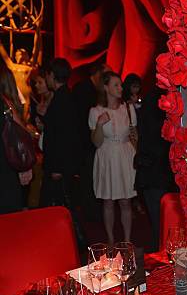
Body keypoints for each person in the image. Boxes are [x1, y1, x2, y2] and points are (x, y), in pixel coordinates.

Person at [89, 71, 137, 245]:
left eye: (120, 84)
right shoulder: (96, 111)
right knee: (108, 201)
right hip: (107, 156)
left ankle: (127, 240)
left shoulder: (128, 109)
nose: (120, 88)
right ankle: (110, 239)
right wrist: (100, 125)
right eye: (116, 85)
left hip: (125, 155)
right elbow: (96, 142)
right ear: (105, 87)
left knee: (125, 201)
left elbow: (134, 135)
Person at [135, 87, 176, 251]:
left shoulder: (154, 98)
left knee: (160, 223)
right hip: (157, 170)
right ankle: (160, 263)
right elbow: (156, 136)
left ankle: (160, 261)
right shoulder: (157, 99)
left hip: (155, 170)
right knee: (161, 223)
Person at [72, 63, 111, 220]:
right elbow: (81, 123)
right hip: (86, 145)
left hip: (92, 143)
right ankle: (91, 214)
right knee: (89, 180)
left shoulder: (94, 90)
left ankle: (94, 212)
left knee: (95, 180)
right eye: (106, 74)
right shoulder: (83, 89)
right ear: (98, 74)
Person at [39, 58, 80, 208]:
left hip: (58, 166)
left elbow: (63, 136)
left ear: (52, 75)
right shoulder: (64, 96)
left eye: (47, 75)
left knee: (57, 207)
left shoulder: (62, 99)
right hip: (59, 165)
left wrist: (57, 168)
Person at [0, 64, 32, 213]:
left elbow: (20, 134)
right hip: (7, 169)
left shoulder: (6, 105)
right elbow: (22, 134)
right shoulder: (7, 104)